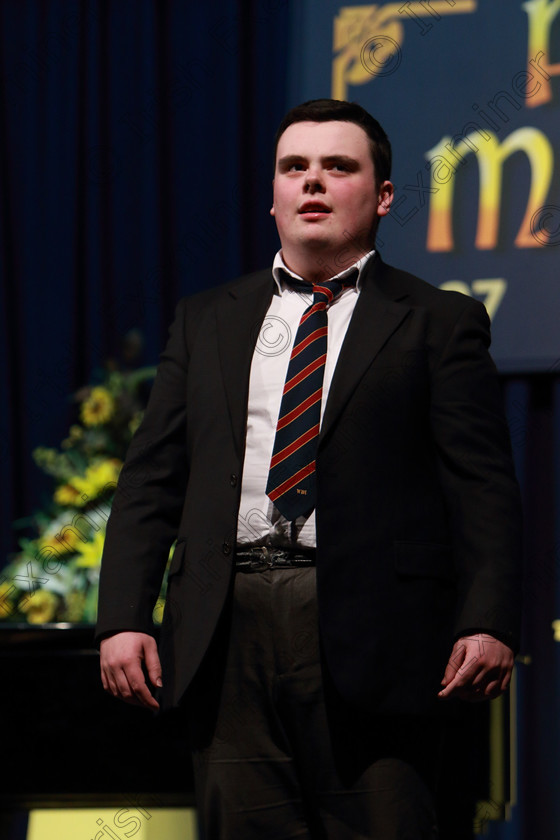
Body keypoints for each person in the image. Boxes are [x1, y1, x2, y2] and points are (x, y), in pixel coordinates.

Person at [96, 99, 522, 839]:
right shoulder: (207, 319)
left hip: (378, 634)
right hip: (225, 626)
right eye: (295, 168)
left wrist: (488, 619)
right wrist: (124, 617)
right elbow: (152, 479)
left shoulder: (436, 321)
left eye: (338, 167)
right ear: (273, 195)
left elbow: (482, 486)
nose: (313, 183)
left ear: (383, 195)